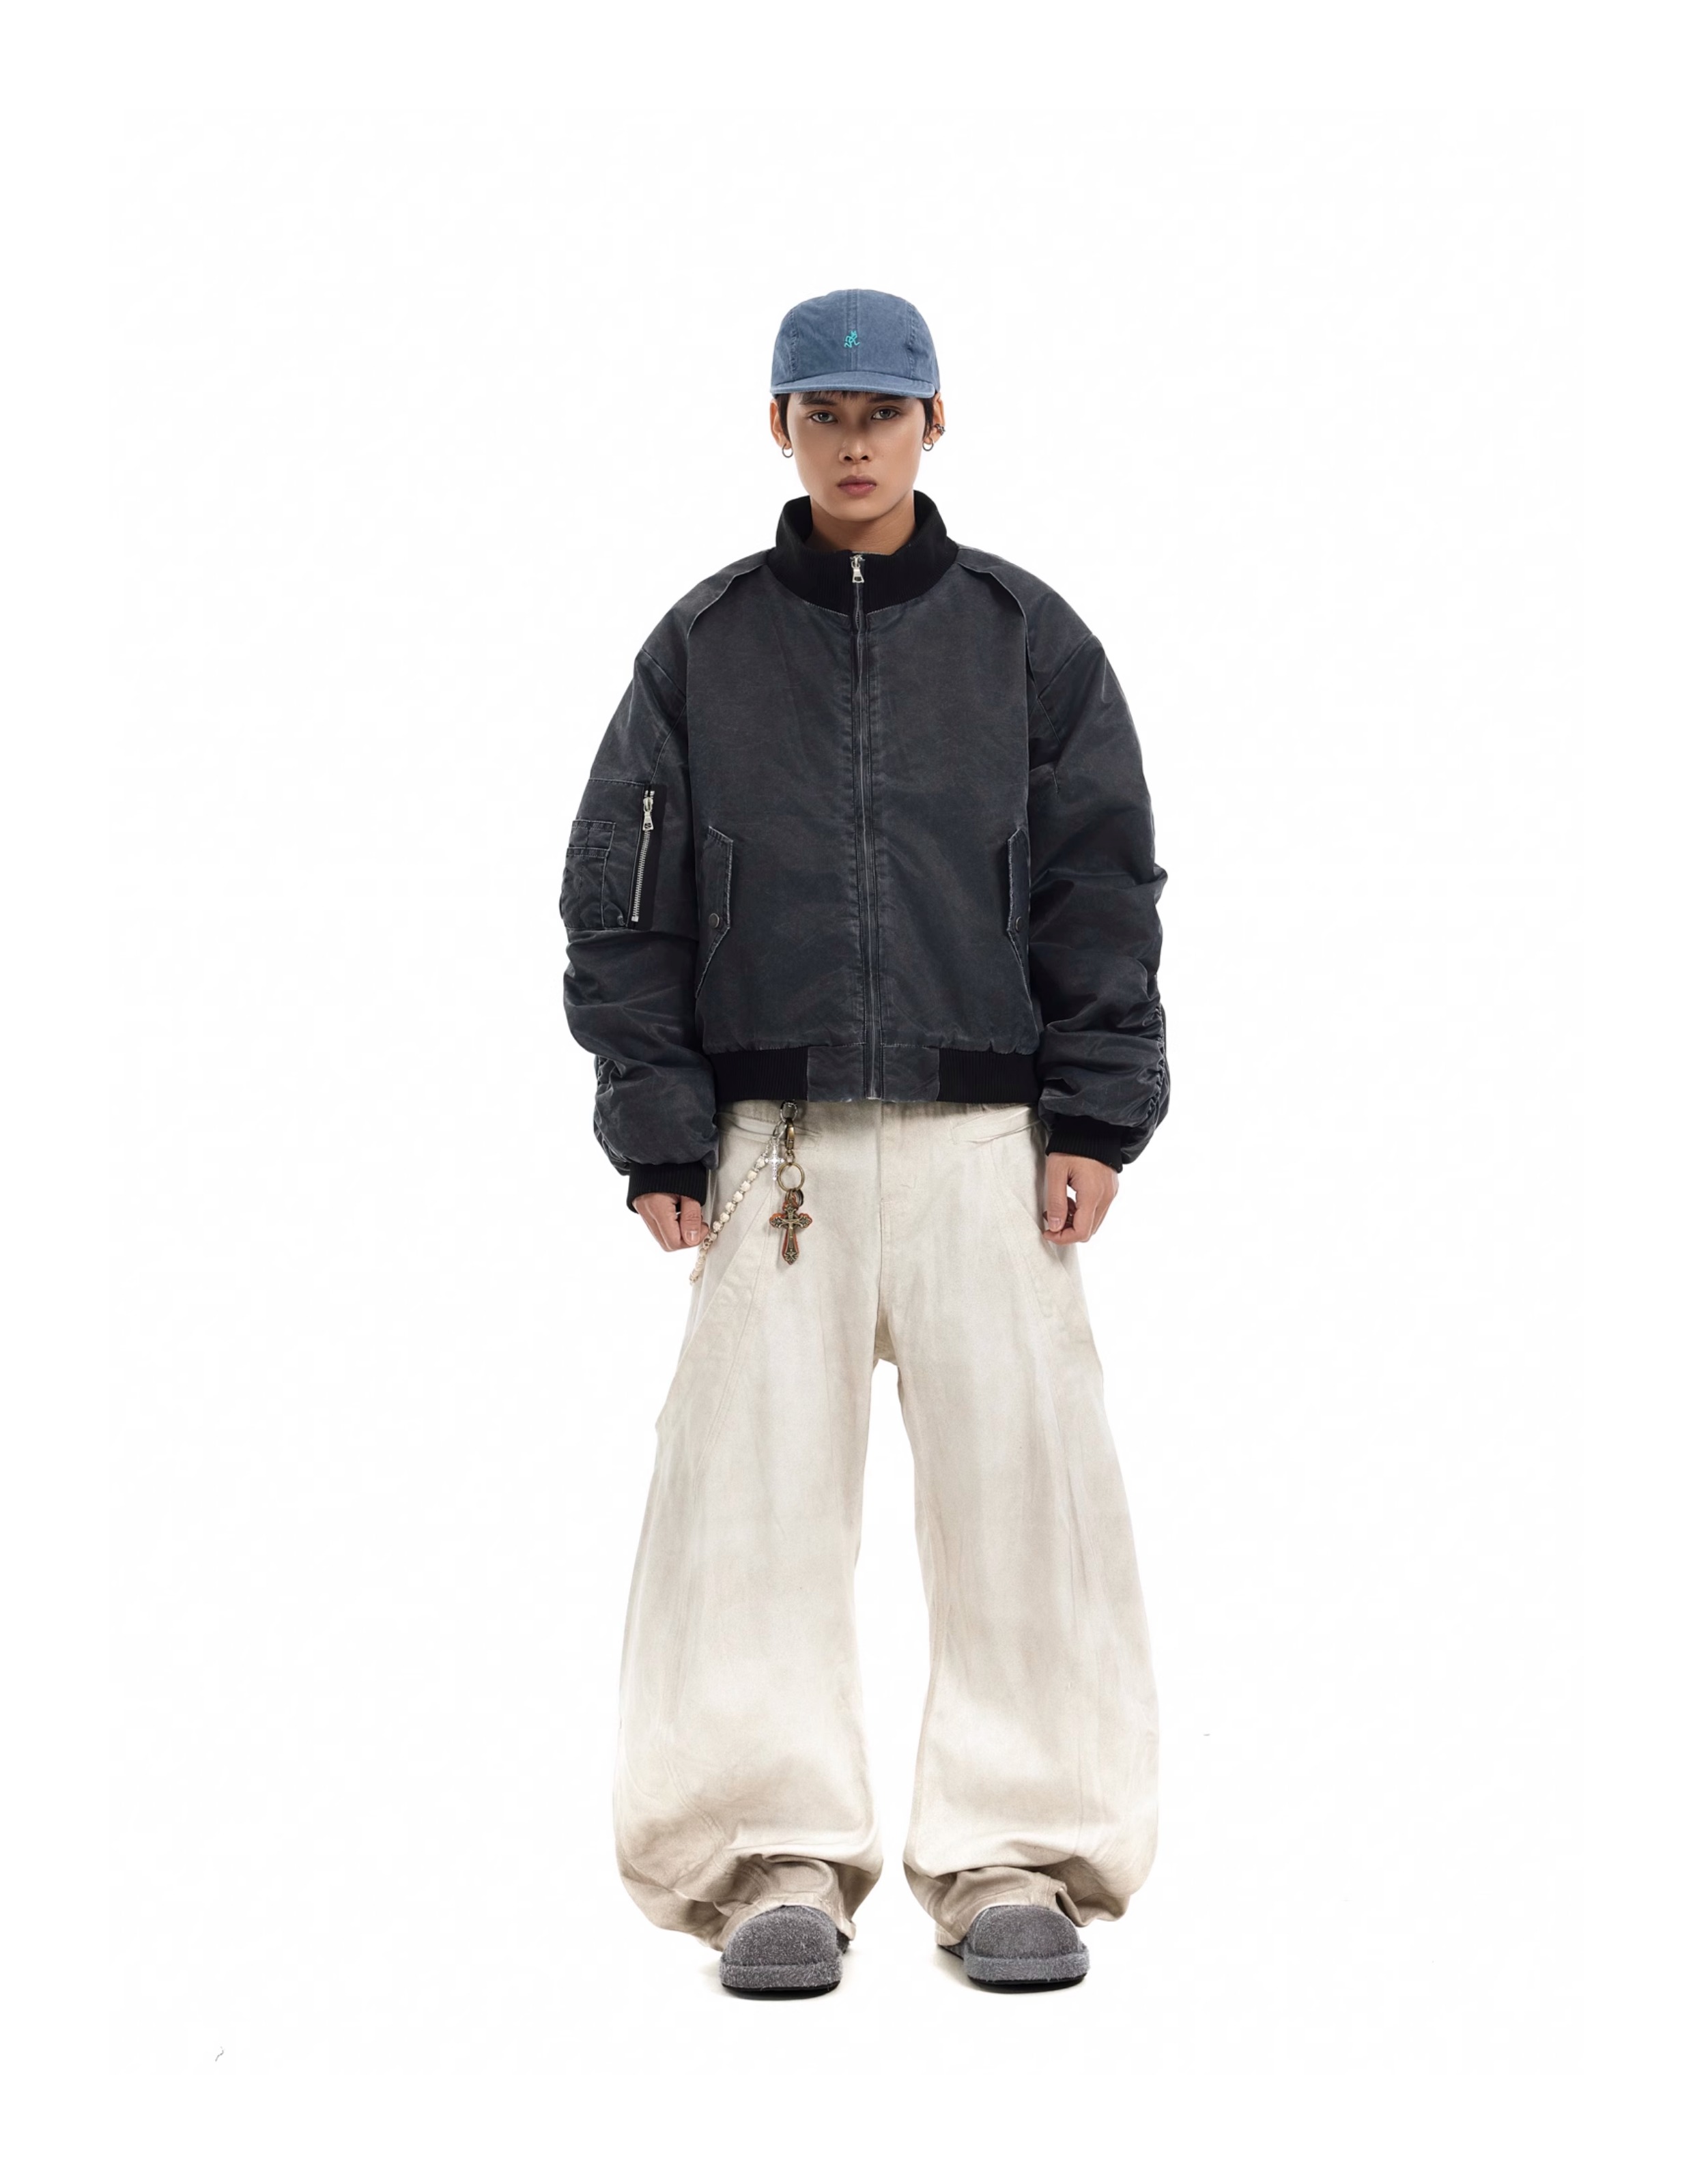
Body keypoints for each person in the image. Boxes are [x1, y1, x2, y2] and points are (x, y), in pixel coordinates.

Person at [559, 288, 1168, 1996]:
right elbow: (618, 897)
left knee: (1025, 1496)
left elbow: (1102, 884)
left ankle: (1019, 1851)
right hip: (776, 1149)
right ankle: (768, 1856)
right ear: (777, 426)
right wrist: (659, 1126)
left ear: (932, 423)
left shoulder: (1024, 639)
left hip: (992, 1136)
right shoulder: (704, 644)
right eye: (821, 412)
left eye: (881, 412)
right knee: (745, 1508)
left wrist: (1096, 1106)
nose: (851, 441)